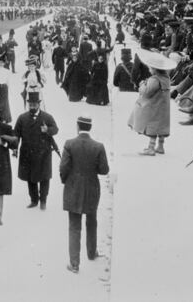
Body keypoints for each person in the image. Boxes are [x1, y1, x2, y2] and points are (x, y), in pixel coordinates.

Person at [60, 115, 110, 273]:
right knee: (92, 221)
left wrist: (66, 182)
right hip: (91, 189)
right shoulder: (99, 146)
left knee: (74, 226)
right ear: (90, 128)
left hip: (73, 189)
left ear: (77, 126)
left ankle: (74, 264)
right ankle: (91, 252)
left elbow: (63, 168)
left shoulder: (69, 144)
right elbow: (104, 170)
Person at [12, 92, 59, 209]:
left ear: (39, 104)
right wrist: (14, 147)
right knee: (30, 177)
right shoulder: (22, 118)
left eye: (34, 105)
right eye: (30, 105)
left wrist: (48, 129)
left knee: (44, 178)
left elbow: (56, 129)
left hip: (44, 153)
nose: (32, 107)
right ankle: (34, 200)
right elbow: (16, 134)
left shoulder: (47, 117)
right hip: (27, 153)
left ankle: (43, 200)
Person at [128, 51, 175, 156]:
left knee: (152, 127)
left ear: (154, 69)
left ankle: (151, 148)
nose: (149, 69)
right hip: (163, 108)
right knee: (162, 127)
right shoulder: (166, 78)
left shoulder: (154, 79)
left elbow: (146, 92)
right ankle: (161, 146)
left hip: (154, 107)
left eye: (150, 68)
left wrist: (142, 85)